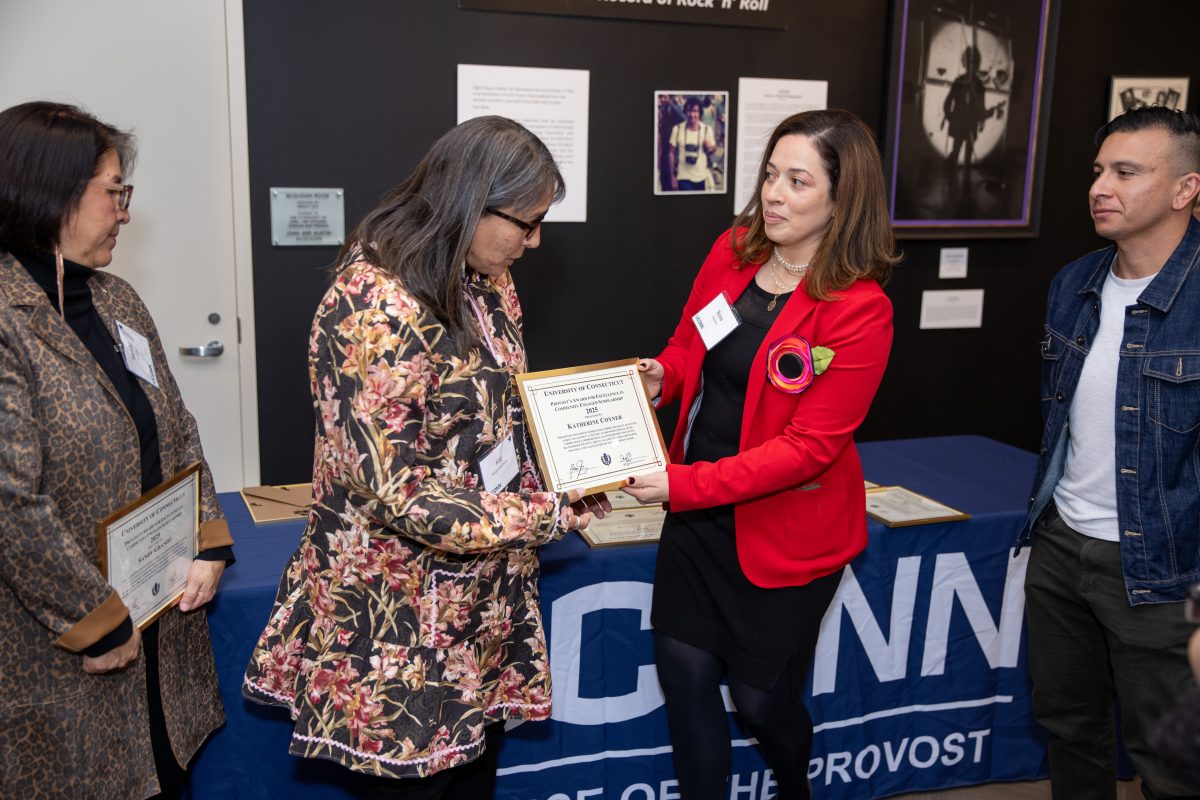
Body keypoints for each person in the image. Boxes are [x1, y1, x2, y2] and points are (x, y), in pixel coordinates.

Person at [243, 115, 604, 799]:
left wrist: (575, 465)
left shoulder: (483, 278)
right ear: (470, 201)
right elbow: (399, 494)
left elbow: (501, 409)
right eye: (525, 223)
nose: (535, 241)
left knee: (474, 782)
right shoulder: (371, 307)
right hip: (397, 622)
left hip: (478, 604)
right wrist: (545, 512)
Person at [624, 109, 898, 799]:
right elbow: (692, 342)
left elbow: (807, 450)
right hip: (698, 524)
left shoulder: (859, 309)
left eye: (798, 180)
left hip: (784, 535)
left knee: (759, 702)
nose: (773, 193)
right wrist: (663, 374)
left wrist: (679, 486)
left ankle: (795, 790)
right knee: (685, 685)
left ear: (843, 198)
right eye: (771, 174)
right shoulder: (735, 249)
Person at [0, 101, 233, 798]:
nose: (126, 212)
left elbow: (178, 427)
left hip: (161, 631)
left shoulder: (118, 300)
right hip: (70, 650)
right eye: (114, 191)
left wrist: (208, 542)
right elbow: (11, 504)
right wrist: (95, 619)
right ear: (49, 192)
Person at [1020, 105, 1200, 798]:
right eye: (1099, 171)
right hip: (1063, 547)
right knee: (1069, 729)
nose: (1102, 186)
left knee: (1170, 758)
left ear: (1185, 189)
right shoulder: (1075, 283)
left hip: (1164, 567)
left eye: (1127, 172)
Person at [669, 96, 717, 192]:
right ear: (685, 112)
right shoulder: (677, 129)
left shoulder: (707, 130)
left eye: (695, 111)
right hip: (683, 177)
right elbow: (671, 153)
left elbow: (713, 150)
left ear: (700, 113)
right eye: (689, 111)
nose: (692, 114)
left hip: (701, 177)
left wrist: (710, 148)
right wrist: (672, 177)